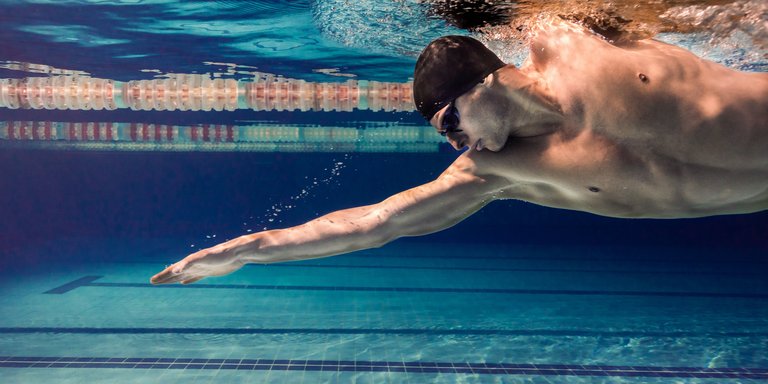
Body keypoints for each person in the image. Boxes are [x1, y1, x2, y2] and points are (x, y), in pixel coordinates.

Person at [151, 19, 767, 285]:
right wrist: (254, 249)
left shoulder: (577, 54)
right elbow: (374, 224)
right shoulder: (493, 169)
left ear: (487, 84)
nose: (452, 142)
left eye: (449, 121)